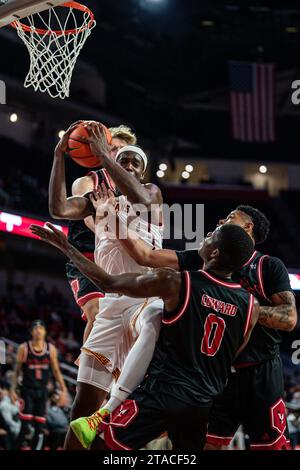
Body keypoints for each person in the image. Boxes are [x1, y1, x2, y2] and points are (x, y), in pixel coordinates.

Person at [30, 221, 259, 450]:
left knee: (96, 443)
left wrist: (66, 247)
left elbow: (108, 283)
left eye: (213, 234)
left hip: (160, 394)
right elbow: (234, 353)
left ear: (215, 252)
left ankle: (108, 409)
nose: (208, 233)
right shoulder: (251, 306)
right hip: (200, 404)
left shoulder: (176, 282)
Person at [112, 204, 297, 450]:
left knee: (272, 446)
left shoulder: (267, 266)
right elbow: (146, 256)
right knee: (208, 446)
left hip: (260, 372)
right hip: (216, 376)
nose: (222, 218)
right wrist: (110, 217)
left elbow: (289, 317)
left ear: (248, 226)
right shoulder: (206, 256)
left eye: (231, 216)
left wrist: (236, 310)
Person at [48, 122, 164, 450]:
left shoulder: (151, 193)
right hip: (113, 302)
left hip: (146, 297)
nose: (127, 165)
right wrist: (59, 157)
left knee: (134, 415)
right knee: (84, 405)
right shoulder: (98, 199)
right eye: (122, 159)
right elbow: (58, 208)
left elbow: (138, 196)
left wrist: (105, 157)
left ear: (142, 171)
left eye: (134, 162)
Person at [50, 124, 137, 345]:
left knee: (129, 324)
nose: (119, 156)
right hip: (86, 259)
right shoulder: (88, 182)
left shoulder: (136, 192)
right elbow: (87, 219)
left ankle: (99, 369)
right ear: (103, 151)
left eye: (125, 153)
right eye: (115, 149)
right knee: (97, 312)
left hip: (117, 263)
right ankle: (86, 376)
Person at [11, 320, 67, 450]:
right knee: (25, 428)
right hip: (27, 391)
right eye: (35, 328)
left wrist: (63, 390)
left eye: (41, 328)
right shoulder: (24, 348)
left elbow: (56, 371)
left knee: (39, 428)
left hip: (42, 392)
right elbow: (17, 370)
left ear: (45, 331)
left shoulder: (51, 349)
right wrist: (13, 389)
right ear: (31, 331)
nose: (38, 330)